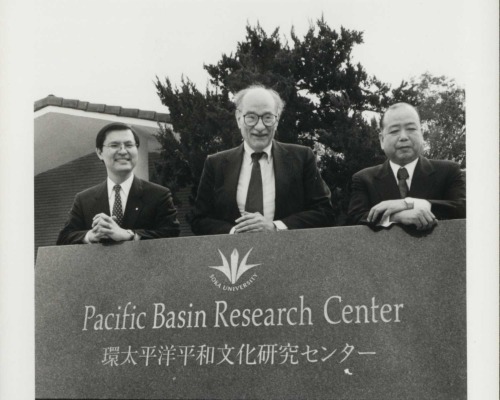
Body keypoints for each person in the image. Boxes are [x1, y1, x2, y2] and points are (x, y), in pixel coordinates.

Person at [190, 84, 335, 235]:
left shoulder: (302, 158)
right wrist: (235, 232)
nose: (260, 127)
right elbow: (199, 220)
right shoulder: (215, 164)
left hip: (287, 254)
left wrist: (275, 227)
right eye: (251, 117)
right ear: (239, 119)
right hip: (234, 256)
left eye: (267, 117)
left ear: (277, 120)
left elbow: (324, 212)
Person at [56, 122, 180, 245]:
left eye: (129, 145)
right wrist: (91, 235)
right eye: (114, 145)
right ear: (100, 153)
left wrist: (128, 235)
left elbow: (172, 234)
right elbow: (63, 239)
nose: (123, 151)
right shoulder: (83, 200)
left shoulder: (159, 195)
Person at [347, 102, 465, 230]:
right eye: (394, 131)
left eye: (411, 129)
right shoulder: (364, 179)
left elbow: (462, 208)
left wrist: (409, 203)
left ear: (422, 134)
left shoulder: (449, 171)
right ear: (381, 140)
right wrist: (395, 216)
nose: (403, 137)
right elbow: (355, 218)